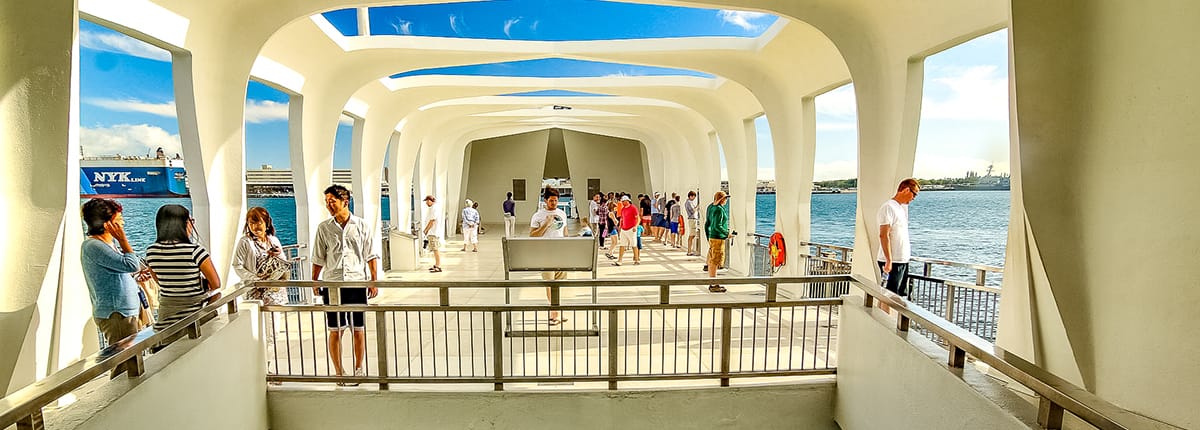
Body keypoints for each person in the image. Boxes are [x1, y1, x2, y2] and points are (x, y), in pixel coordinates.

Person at [311, 185, 380, 384]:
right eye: (327, 202)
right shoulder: (324, 228)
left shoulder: (361, 226)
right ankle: (339, 371)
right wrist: (314, 281)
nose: (329, 206)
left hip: (357, 283)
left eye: (332, 201)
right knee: (335, 329)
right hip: (332, 284)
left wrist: (373, 281)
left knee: (358, 328)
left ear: (345, 201)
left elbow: (370, 255)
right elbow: (318, 257)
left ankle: (359, 368)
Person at [80, 199, 146, 358]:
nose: (122, 222)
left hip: (123, 312)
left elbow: (120, 270)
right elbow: (131, 264)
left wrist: (135, 278)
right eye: (118, 220)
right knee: (125, 362)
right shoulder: (94, 246)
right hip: (116, 315)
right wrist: (123, 240)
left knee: (132, 359)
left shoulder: (107, 244)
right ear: (105, 224)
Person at [145, 204, 222, 331]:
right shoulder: (195, 251)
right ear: (183, 224)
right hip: (194, 315)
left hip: (166, 316)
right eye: (191, 221)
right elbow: (216, 284)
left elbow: (160, 281)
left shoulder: (151, 251)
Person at [877, 178, 920, 313]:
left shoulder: (901, 208)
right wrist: (889, 260)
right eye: (914, 194)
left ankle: (884, 322)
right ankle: (885, 326)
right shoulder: (888, 207)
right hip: (892, 260)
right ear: (906, 190)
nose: (914, 198)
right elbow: (884, 235)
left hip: (901, 260)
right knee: (889, 296)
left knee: (895, 295)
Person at [530, 186, 570, 325]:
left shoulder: (562, 213)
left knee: (558, 284)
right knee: (549, 283)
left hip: (560, 253)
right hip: (545, 253)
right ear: (545, 200)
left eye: (556, 200)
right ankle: (554, 314)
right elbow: (533, 235)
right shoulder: (538, 215)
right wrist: (546, 224)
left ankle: (556, 311)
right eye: (551, 200)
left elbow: (565, 232)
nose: (554, 203)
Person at [704, 191, 730, 292]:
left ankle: (713, 282)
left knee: (712, 260)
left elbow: (708, 223)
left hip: (712, 236)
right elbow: (717, 225)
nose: (726, 200)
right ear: (721, 199)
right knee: (715, 261)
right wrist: (727, 233)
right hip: (717, 238)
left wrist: (708, 235)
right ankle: (713, 284)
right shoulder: (718, 210)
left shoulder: (711, 207)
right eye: (725, 198)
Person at [614, 196, 641, 266]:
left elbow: (638, 218)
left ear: (627, 201)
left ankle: (636, 259)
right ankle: (620, 260)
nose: (622, 203)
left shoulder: (633, 208)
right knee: (622, 245)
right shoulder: (623, 209)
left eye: (623, 201)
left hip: (631, 229)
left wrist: (636, 226)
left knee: (634, 244)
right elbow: (622, 219)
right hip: (624, 229)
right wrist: (620, 227)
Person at [423, 195, 444, 272]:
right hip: (433, 232)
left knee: (435, 249)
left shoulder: (434, 208)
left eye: (427, 201)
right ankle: (436, 264)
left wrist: (426, 230)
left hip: (433, 232)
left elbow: (432, 221)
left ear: (430, 201)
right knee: (434, 249)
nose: (426, 203)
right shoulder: (433, 208)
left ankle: (438, 266)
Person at [684, 191, 700, 256]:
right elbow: (693, 211)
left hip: (692, 219)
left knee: (692, 235)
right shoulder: (688, 202)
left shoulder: (688, 202)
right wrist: (698, 206)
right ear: (691, 196)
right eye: (694, 197)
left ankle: (690, 250)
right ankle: (689, 251)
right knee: (692, 235)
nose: (694, 198)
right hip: (692, 219)